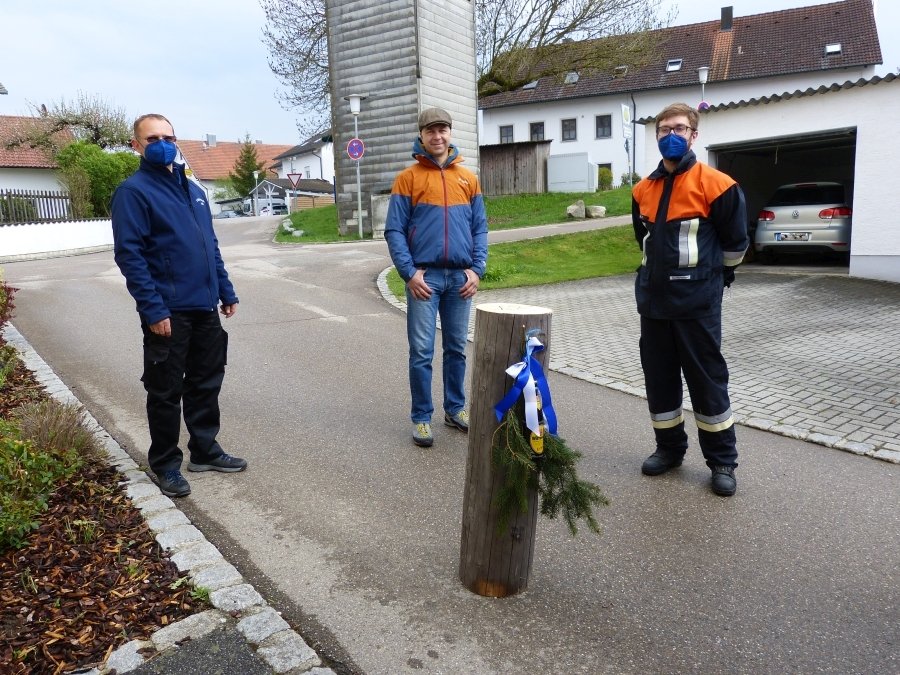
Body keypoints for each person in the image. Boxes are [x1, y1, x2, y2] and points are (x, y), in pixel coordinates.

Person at [111, 113, 247, 498]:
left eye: (168, 136)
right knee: (166, 390)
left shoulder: (193, 190)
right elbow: (130, 256)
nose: (162, 143)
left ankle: (204, 450)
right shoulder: (133, 192)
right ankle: (166, 464)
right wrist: (153, 310)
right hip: (168, 312)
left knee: (206, 382)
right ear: (136, 145)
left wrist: (226, 290)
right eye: (152, 138)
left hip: (204, 307)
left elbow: (210, 247)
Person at [631, 102, 748, 496]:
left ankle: (722, 463)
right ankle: (669, 450)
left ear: (694, 135)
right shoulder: (642, 189)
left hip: (697, 304)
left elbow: (735, 245)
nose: (670, 136)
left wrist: (716, 278)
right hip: (655, 304)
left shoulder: (718, 185)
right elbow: (645, 242)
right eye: (663, 130)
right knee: (660, 382)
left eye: (679, 129)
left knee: (707, 382)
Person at [385, 107, 488, 447]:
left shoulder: (468, 179)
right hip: (425, 279)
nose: (438, 136)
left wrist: (477, 269)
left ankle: (455, 409)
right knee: (422, 352)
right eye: (431, 131)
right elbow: (394, 231)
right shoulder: (408, 178)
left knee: (457, 348)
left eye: (442, 130)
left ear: (450, 133)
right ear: (422, 135)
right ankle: (421, 417)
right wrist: (409, 273)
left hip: (460, 278)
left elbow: (480, 228)